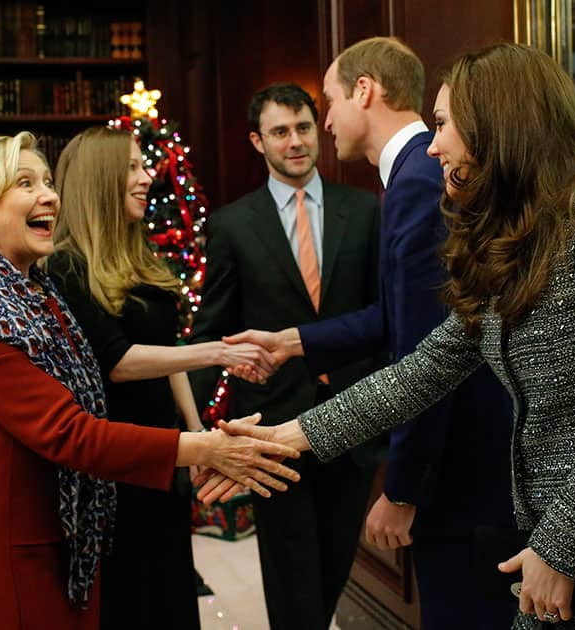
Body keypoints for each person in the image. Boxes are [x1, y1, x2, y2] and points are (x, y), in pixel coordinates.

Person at [207, 43, 575, 629]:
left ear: (499, 124)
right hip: (557, 549)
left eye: (445, 124)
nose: (435, 144)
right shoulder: (511, 240)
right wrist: (283, 439)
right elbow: (420, 373)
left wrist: (561, 547)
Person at [0, 131, 300, 630]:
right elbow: (70, 433)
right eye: (25, 183)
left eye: (48, 182)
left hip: (60, 534)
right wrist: (205, 450)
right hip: (0, 551)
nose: (50, 196)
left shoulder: (39, 292)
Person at [223, 38, 515, 628]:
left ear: (364, 90)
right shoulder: (408, 177)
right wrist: (293, 342)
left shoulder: (414, 181)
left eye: (328, 102)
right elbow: (399, 316)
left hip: (461, 468)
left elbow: (427, 354)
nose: (325, 121)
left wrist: (404, 486)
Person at [44, 126, 277, 629]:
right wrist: (212, 352)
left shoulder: (137, 253)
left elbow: (167, 350)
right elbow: (120, 361)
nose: (147, 176)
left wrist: (195, 435)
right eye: (131, 167)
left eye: (142, 165)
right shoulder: (65, 266)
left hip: (163, 456)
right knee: (134, 596)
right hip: (114, 462)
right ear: (99, 180)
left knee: (169, 589)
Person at [187, 83, 382, 630]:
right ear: (258, 141)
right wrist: (192, 429)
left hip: (354, 417)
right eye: (279, 132)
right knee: (289, 567)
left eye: (301, 128)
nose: (294, 142)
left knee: (335, 561)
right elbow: (213, 330)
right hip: (272, 424)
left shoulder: (365, 210)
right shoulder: (231, 225)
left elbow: (383, 317)